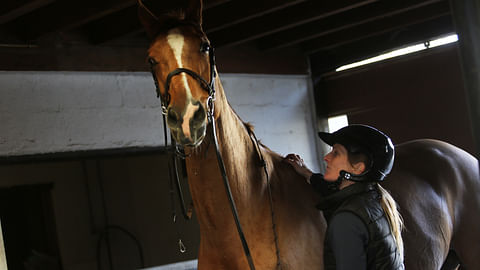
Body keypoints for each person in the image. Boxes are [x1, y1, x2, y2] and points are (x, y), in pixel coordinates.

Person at [285, 124, 404, 270]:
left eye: (336, 153)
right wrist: (306, 172)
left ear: (358, 168)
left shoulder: (347, 219)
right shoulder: (372, 197)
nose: (326, 157)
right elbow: (332, 192)